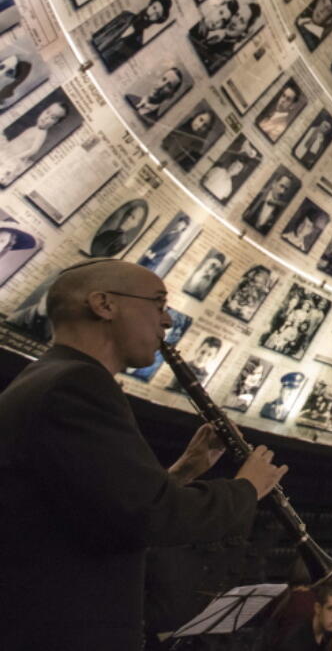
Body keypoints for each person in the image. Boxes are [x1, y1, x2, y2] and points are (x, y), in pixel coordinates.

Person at [0, 259, 286, 650]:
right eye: (157, 303)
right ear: (104, 305)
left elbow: (100, 508)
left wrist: (183, 472)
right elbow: (148, 517)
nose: (167, 320)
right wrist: (247, 488)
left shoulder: (47, 378)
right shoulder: (77, 385)